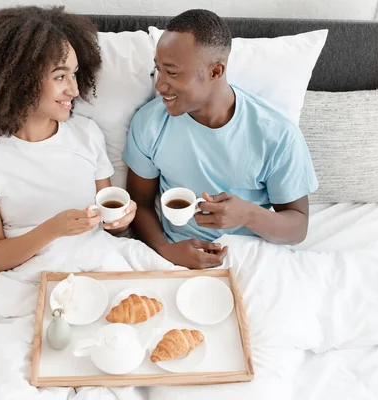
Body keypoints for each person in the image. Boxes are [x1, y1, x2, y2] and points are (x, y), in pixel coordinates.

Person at [123, 9, 318, 270]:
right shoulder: (150, 123)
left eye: (172, 72)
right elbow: (141, 205)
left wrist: (248, 214)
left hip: (250, 258)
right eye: (158, 70)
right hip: (174, 257)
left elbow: (297, 228)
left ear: (216, 71)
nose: (159, 85)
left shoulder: (276, 134)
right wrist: (167, 250)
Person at [0, 6, 136, 273]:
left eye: (74, 74)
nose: (74, 89)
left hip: (94, 261)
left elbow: (105, 218)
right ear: (19, 80)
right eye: (60, 76)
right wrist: (53, 229)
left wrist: (120, 221)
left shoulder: (87, 133)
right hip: (27, 273)